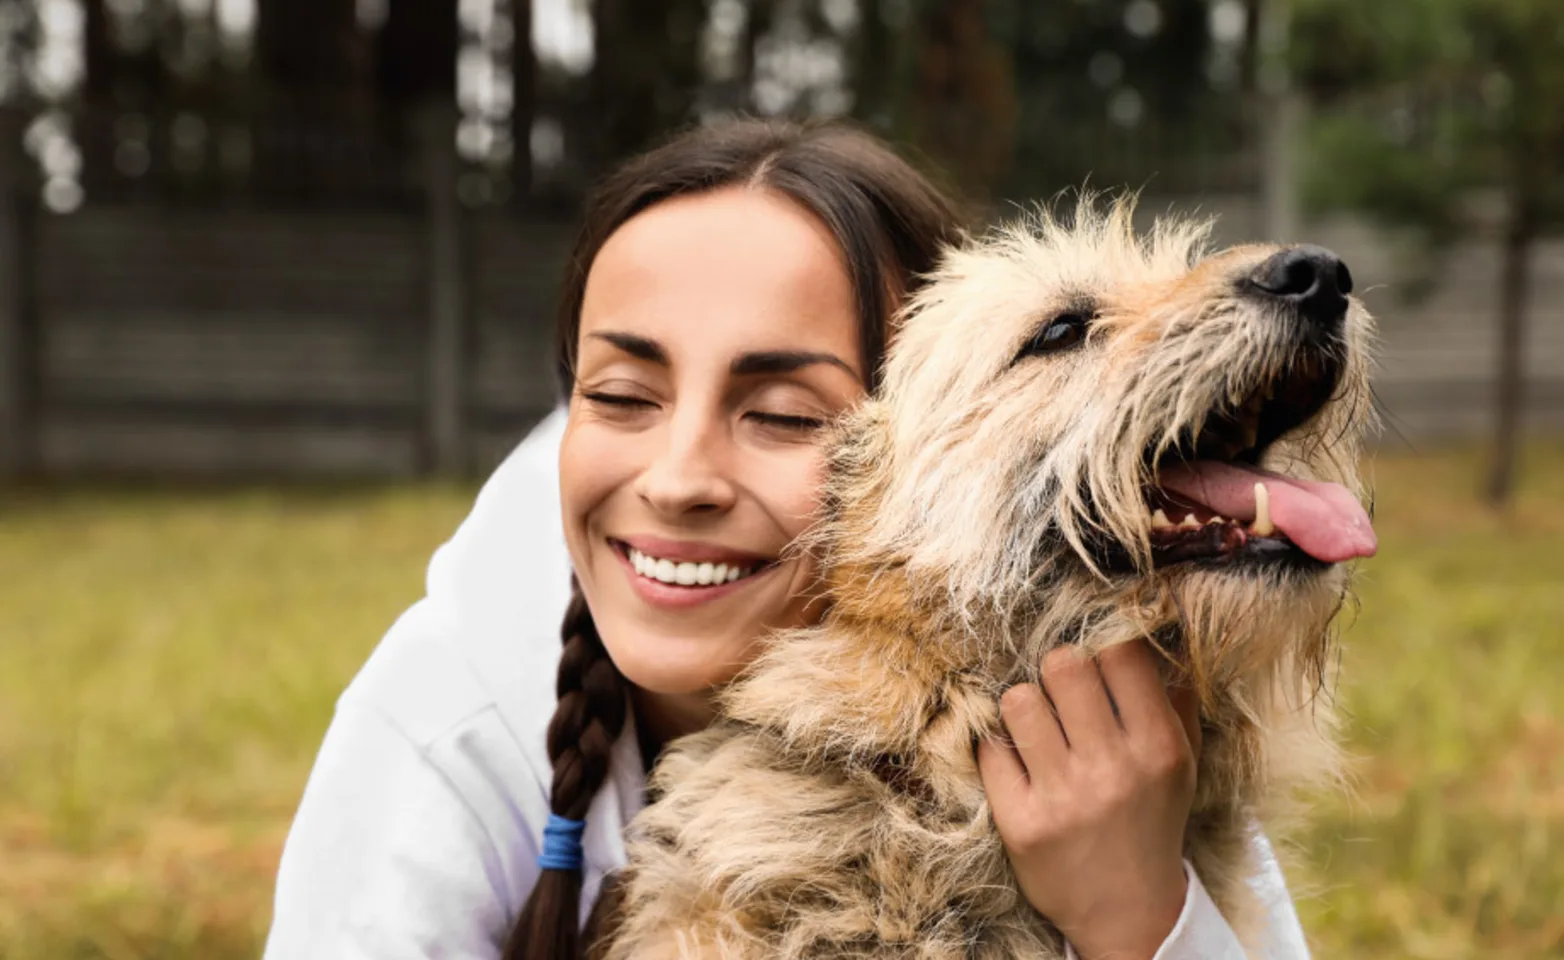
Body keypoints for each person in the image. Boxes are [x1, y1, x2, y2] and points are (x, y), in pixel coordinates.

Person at [264, 118, 1311, 960]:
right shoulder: (453, 713)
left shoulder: (1114, 701)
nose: (676, 483)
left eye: (785, 416)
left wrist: (1144, 917)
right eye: (620, 394)